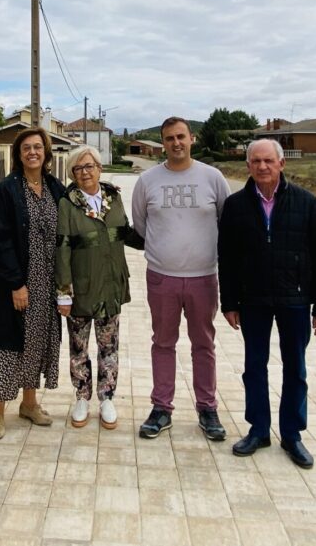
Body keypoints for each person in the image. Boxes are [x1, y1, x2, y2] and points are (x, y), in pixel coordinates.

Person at [218, 138, 316, 469]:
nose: (262, 167)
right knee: (254, 368)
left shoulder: (308, 204)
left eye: (268, 161)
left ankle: (292, 435)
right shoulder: (236, 205)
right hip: (253, 301)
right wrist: (229, 302)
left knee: (295, 369)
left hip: (295, 300)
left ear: (282, 164)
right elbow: (226, 258)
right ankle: (258, 430)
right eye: (255, 161)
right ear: (248, 167)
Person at [131, 117, 229, 441]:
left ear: (192, 139)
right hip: (162, 278)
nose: (176, 143)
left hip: (203, 278)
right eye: (169, 138)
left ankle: (207, 408)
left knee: (204, 343)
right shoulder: (147, 181)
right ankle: (161, 408)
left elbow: (226, 225)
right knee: (163, 343)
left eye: (181, 137)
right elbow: (142, 227)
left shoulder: (212, 178)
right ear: (162, 142)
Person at [0, 127, 65, 439]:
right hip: (14, 284)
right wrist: (16, 284)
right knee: (5, 346)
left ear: (46, 152)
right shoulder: (7, 189)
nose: (33, 152)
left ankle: (29, 403)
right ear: (18, 154)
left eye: (38, 147)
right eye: (26, 148)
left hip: (47, 284)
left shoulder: (55, 187)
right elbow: (0, 240)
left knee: (37, 343)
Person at [55, 145, 144, 430]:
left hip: (110, 285)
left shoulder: (113, 197)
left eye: (89, 166)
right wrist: (64, 292)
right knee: (79, 347)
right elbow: (63, 250)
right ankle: (82, 397)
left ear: (99, 167)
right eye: (78, 168)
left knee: (109, 346)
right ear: (72, 173)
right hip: (81, 287)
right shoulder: (67, 204)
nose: (85, 172)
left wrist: (159, 240)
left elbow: (124, 231)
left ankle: (107, 398)